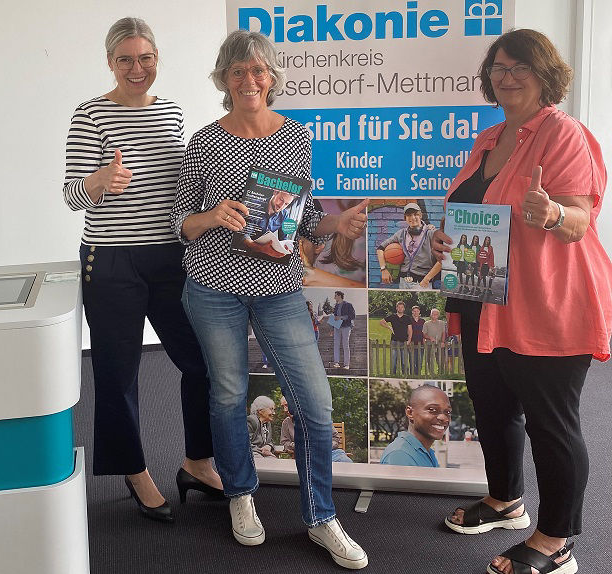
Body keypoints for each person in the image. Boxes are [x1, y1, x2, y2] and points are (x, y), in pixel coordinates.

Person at [172, 30, 368, 570]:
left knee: (316, 403)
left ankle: (321, 515)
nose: (249, 80)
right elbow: (180, 223)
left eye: (258, 70)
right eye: (237, 72)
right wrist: (212, 217)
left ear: (272, 77)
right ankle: (240, 493)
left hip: (279, 287)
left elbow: (303, 219)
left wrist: (336, 223)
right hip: (215, 288)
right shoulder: (205, 141)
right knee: (229, 395)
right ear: (224, 80)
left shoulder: (295, 137)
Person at [431, 29, 612, 574]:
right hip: (482, 298)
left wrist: (552, 213)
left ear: (545, 74)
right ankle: (505, 500)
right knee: (493, 407)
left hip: (546, 304)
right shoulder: (489, 139)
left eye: (520, 67)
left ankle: (556, 540)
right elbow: (472, 214)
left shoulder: (563, 133)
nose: (507, 76)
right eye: (499, 67)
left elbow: (581, 220)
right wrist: (446, 238)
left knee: (551, 422)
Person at [62, 17, 223, 524]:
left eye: (146, 58)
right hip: (111, 262)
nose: (137, 68)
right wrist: (97, 180)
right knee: (118, 373)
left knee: (200, 361)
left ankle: (196, 461)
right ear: (110, 63)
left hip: (170, 258)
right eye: (126, 59)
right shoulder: (90, 115)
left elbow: (182, 189)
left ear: (158, 60)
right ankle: (134, 470)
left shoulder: (173, 113)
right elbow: (70, 196)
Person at [379, 385, 451, 467]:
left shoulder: (426, 452)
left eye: (447, 412)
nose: (444, 418)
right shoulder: (400, 455)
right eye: (432, 410)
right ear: (410, 413)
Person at [376, 202, 442, 289]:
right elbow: (380, 248)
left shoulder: (431, 233)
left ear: (421, 215)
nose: (413, 218)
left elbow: (443, 259)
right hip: (403, 282)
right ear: (405, 218)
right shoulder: (401, 234)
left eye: (416, 214)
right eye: (409, 215)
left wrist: (427, 279)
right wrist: (383, 269)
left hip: (421, 283)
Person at [280, 396, 352, 462]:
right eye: (283, 406)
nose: (285, 410)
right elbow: (285, 443)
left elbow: (335, 438)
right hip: (305, 457)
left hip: (329, 454)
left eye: (287, 405)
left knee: (345, 462)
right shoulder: (286, 423)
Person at [379, 301, 412, 376]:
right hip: (394, 341)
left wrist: (409, 340)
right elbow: (381, 322)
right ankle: (393, 375)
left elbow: (410, 330)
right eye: (399, 307)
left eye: (402, 307)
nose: (400, 308)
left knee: (404, 361)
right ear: (396, 308)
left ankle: (405, 375)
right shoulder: (392, 316)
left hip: (404, 341)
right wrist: (389, 327)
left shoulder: (407, 318)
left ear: (404, 308)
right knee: (394, 360)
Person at [332, 291, 356, 370]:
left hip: (346, 326)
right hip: (337, 327)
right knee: (336, 344)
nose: (334, 297)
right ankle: (336, 362)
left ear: (339, 296)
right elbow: (335, 317)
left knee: (345, 344)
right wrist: (333, 327)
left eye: (335, 296)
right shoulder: (336, 306)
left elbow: (352, 316)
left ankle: (346, 364)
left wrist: (341, 317)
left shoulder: (348, 305)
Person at [422, 308, 447, 375]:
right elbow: (424, 334)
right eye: (433, 314)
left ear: (438, 315)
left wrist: (442, 342)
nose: (434, 316)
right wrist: (430, 337)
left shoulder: (442, 323)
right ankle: (431, 373)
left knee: (441, 360)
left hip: (439, 343)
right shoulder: (426, 323)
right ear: (431, 315)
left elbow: (443, 333)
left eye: (436, 314)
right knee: (429, 359)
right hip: (429, 344)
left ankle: (440, 373)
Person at [409, 305, 425, 375]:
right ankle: (412, 375)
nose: (416, 312)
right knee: (412, 361)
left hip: (421, 344)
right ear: (412, 312)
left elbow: (424, 332)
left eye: (417, 311)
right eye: (414, 311)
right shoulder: (409, 320)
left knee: (420, 361)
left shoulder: (423, 321)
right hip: (411, 344)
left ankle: (418, 375)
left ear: (419, 312)